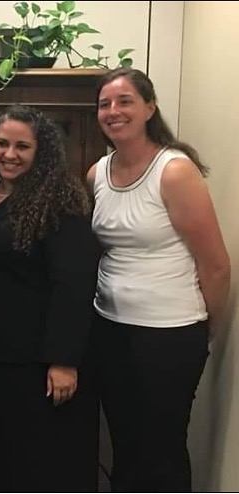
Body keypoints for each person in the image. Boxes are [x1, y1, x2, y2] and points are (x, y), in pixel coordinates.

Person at [88, 67, 231, 492]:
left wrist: (205, 331)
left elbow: (217, 265)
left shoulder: (174, 170)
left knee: (161, 450)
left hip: (169, 333)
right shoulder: (98, 173)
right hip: (109, 326)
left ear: (149, 108)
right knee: (125, 444)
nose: (113, 111)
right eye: (105, 104)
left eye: (125, 101)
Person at [0, 105, 100, 491]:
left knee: (30, 461)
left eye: (22, 146)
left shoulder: (60, 202)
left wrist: (63, 361)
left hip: (31, 361)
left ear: (41, 152)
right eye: (1, 144)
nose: (9, 154)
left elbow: (73, 285)